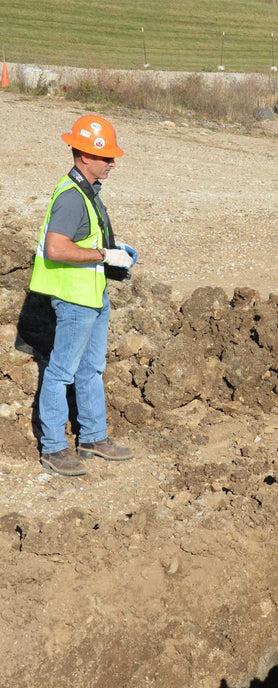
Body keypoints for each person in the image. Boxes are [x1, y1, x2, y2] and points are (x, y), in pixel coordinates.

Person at [30, 114, 137, 476]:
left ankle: (92, 437)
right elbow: (57, 248)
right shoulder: (72, 197)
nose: (112, 163)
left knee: (91, 369)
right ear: (84, 157)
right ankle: (54, 448)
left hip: (94, 295)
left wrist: (113, 248)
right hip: (75, 299)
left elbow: (83, 238)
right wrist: (105, 255)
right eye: (106, 156)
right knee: (61, 372)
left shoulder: (87, 192)